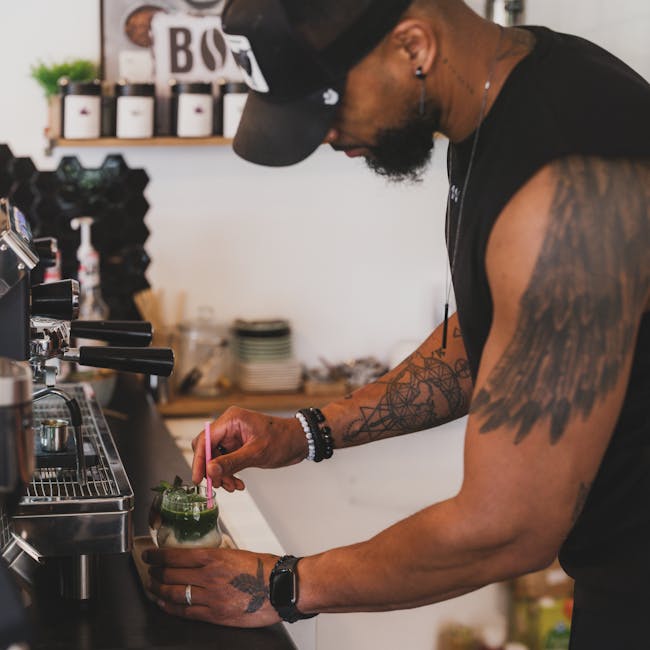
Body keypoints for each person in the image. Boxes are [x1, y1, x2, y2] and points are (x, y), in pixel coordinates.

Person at [143, 0, 650, 646]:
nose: (325, 137)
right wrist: (305, 432)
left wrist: (282, 586)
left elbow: (507, 526)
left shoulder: (567, 174)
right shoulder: (501, 103)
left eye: (328, 108)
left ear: (414, 46)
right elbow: (493, 335)